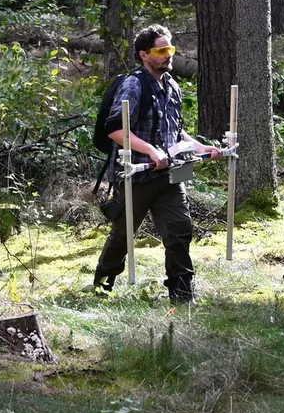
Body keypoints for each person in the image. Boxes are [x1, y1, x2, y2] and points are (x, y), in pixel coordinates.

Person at [93, 24, 220, 302]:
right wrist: (150, 150)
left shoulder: (172, 85)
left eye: (170, 49)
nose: (168, 55)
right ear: (144, 55)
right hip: (136, 175)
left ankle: (182, 293)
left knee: (179, 231)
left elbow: (176, 132)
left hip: (171, 174)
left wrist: (200, 147)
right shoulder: (133, 84)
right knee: (123, 235)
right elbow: (114, 129)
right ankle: (102, 285)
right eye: (161, 51)